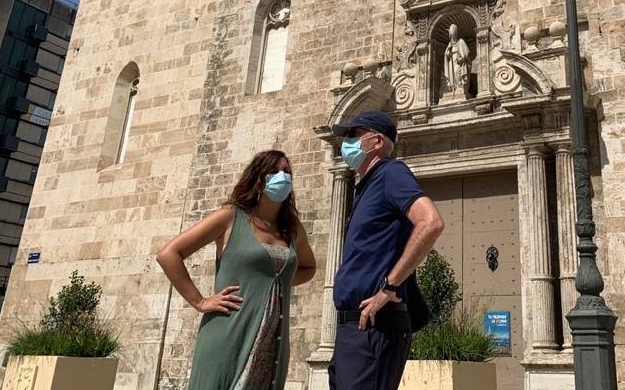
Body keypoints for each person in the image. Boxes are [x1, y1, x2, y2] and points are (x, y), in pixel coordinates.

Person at [155, 150, 317, 390]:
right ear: (257, 178)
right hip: (229, 333)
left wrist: (273, 282)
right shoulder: (230, 217)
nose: (282, 177)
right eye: (274, 172)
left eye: (287, 172)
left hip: (272, 343)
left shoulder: (292, 228)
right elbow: (168, 255)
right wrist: (200, 301)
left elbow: (308, 267)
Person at [329, 111, 445, 390]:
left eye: (354, 136)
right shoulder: (365, 188)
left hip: (374, 328)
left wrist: (389, 287)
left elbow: (431, 223)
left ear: (377, 141)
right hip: (354, 330)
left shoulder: (391, 173)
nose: (346, 143)